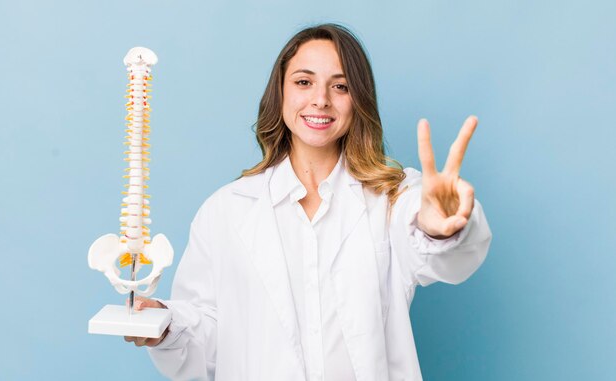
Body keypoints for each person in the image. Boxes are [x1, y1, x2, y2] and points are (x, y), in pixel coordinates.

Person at [124, 23, 492, 381]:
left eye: (341, 86)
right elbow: (208, 336)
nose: (321, 99)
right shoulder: (226, 211)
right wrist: (167, 324)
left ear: (358, 100)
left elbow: (449, 260)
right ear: (280, 93)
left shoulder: (394, 197)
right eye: (304, 82)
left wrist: (438, 226)